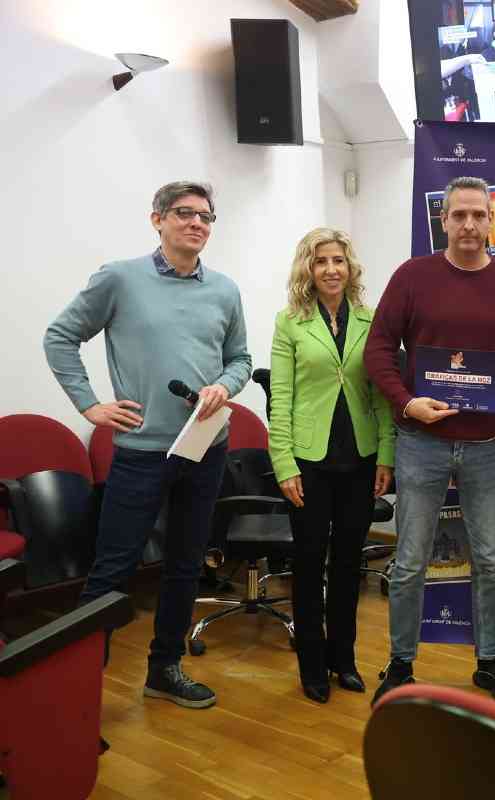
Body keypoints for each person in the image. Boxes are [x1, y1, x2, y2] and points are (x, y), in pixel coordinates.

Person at [43, 181, 251, 709]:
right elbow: (60, 337)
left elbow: (240, 359)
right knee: (113, 571)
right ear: (157, 219)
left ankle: (165, 669)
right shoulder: (119, 278)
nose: (196, 223)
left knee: (185, 565)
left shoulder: (224, 290)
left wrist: (224, 386)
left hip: (205, 448)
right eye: (184, 213)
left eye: (205, 216)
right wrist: (90, 406)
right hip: (140, 453)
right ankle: (75, 690)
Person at [365, 176, 495, 706]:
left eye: (478, 215)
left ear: (492, 222)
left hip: (487, 444)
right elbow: (378, 350)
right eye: (459, 214)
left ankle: (489, 662)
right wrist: (406, 402)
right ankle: (400, 664)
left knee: (489, 558)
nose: (469, 224)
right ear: (443, 220)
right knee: (410, 560)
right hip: (421, 441)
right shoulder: (412, 276)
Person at [268, 228, 395, 704]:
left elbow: (381, 394)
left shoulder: (370, 319)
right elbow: (280, 399)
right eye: (321, 261)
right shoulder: (289, 323)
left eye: (338, 260)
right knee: (307, 563)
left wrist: (386, 455)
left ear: (350, 266)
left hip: (360, 460)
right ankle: (312, 666)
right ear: (308, 269)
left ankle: (344, 659)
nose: (331, 269)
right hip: (308, 463)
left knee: (347, 565)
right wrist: (284, 463)